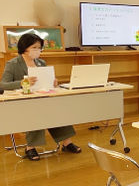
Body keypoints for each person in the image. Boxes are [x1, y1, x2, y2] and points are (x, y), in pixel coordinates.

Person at [0, 33, 81, 161]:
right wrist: (22, 83)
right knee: (37, 110)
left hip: (42, 98)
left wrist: (53, 83)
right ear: (25, 47)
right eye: (35, 47)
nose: (38, 50)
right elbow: (3, 84)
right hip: (22, 102)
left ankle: (67, 143)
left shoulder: (41, 62)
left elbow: (46, 83)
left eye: (39, 47)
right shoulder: (13, 64)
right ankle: (30, 147)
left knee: (57, 108)